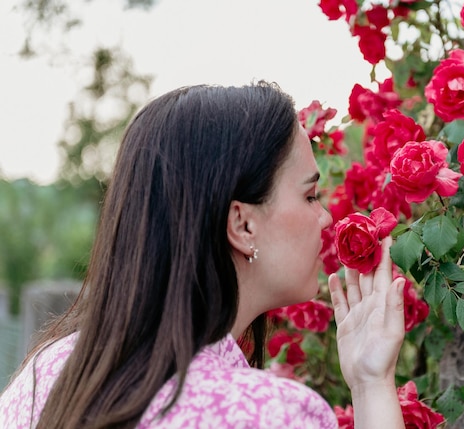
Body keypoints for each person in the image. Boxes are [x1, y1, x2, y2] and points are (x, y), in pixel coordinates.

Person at [0, 81, 406, 428]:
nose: (326, 217)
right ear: (242, 225)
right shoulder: (268, 414)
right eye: (310, 195)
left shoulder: (46, 375)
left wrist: (369, 375)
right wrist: (373, 387)